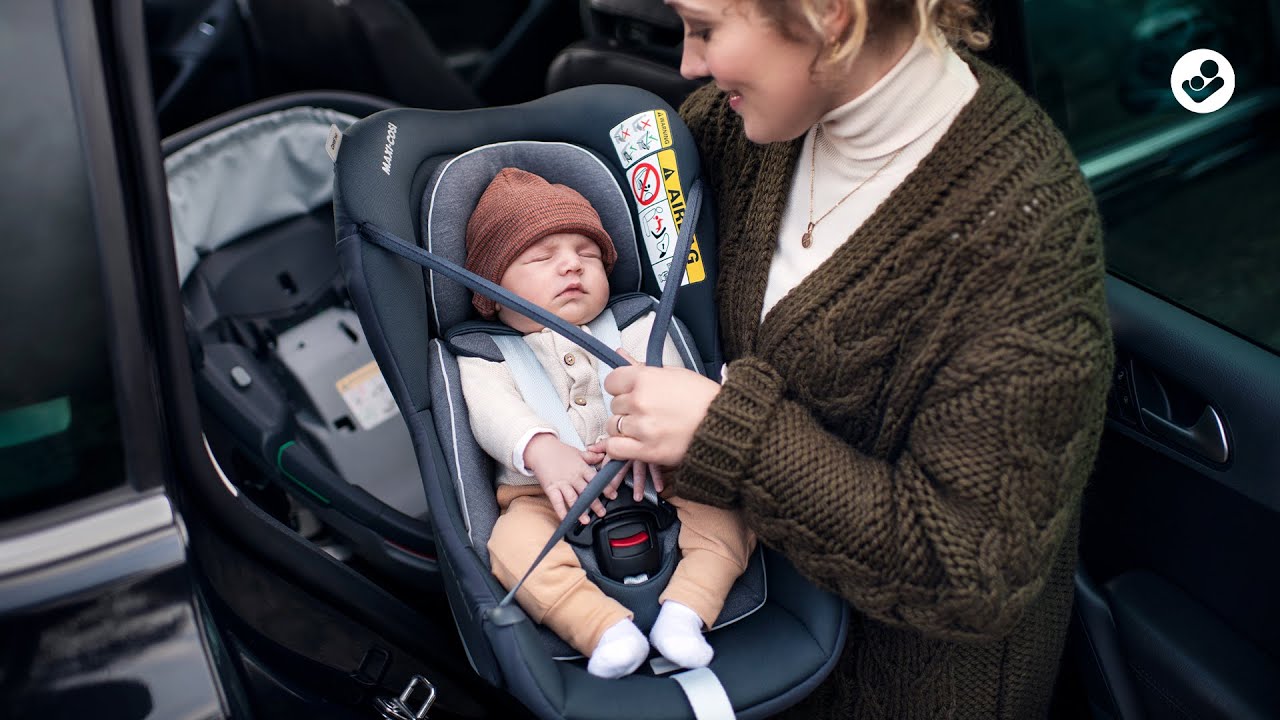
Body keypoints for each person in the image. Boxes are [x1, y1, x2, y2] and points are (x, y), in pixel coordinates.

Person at [599, 0, 1114, 716]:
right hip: (733, 655)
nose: (689, 63)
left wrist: (728, 432)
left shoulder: (1023, 234)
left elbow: (971, 573)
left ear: (831, 16)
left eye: (706, 29)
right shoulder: (737, 124)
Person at [456, 167, 756, 680]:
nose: (571, 265)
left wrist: (647, 434)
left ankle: (687, 610)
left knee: (733, 510)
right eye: (542, 257)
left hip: (661, 475)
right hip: (542, 496)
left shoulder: (639, 323)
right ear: (490, 291)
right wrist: (540, 447)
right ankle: (600, 628)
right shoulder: (484, 356)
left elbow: (671, 388)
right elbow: (492, 412)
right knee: (510, 548)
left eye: (588, 254)